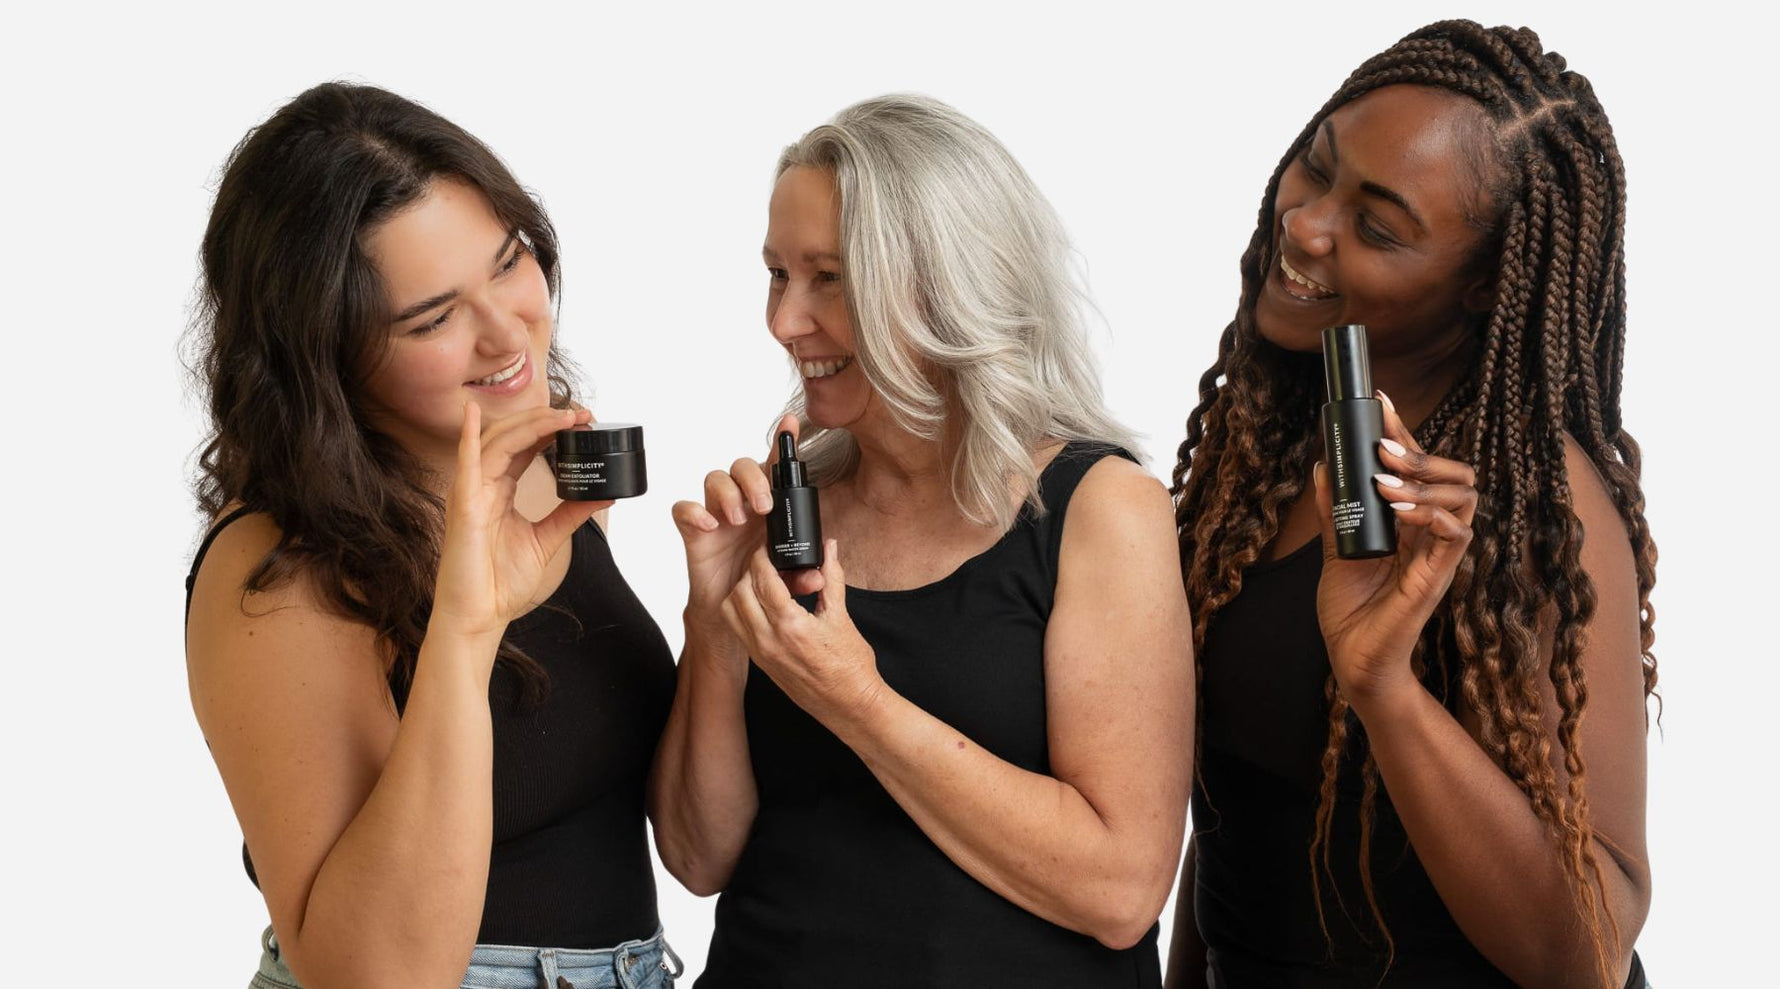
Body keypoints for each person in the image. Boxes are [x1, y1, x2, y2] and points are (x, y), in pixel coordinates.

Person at [647, 94, 1195, 987]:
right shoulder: (790, 511)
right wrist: (713, 630)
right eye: (777, 274)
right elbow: (697, 857)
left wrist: (858, 699)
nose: (785, 321)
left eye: (829, 277)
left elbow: (1122, 889)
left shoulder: (1101, 509)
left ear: (947, 283)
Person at [1164, 20, 1656, 989]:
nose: (1305, 224)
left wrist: (1384, 680)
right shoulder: (1260, 449)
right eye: (1315, 167)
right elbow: (1233, 821)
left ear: (1483, 287)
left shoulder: (1533, 506)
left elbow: (1587, 951)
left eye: (1378, 226)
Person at [183, 83, 680, 989]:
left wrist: (723, 618)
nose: (508, 332)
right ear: (326, 357)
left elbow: (679, 834)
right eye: (434, 318)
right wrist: (465, 626)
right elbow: (376, 975)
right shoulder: (280, 570)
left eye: (506, 262)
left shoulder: (538, 459)